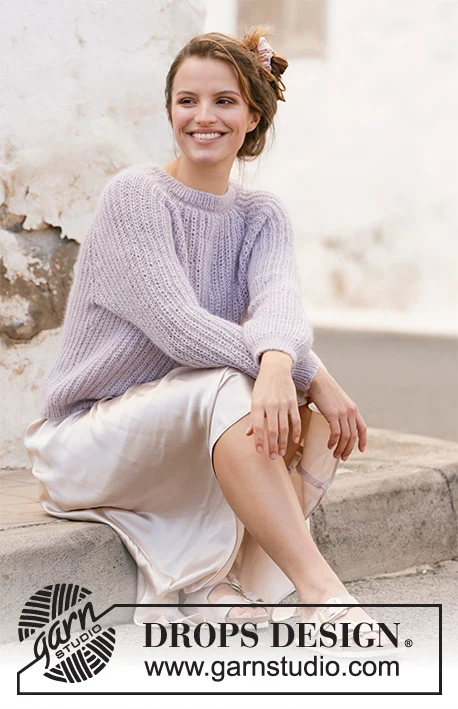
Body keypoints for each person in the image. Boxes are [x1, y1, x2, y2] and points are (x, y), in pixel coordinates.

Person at [23, 25, 390, 651]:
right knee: (238, 384)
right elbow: (181, 329)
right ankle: (323, 594)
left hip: (186, 432)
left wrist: (295, 370)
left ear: (253, 116)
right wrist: (304, 372)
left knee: (303, 408)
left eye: (224, 101)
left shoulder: (261, 215)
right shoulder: (136, 196)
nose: (203, 117)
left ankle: (234, 586)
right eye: (187, 100)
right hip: (87, 441)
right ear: (170, 110)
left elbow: (280, 310)